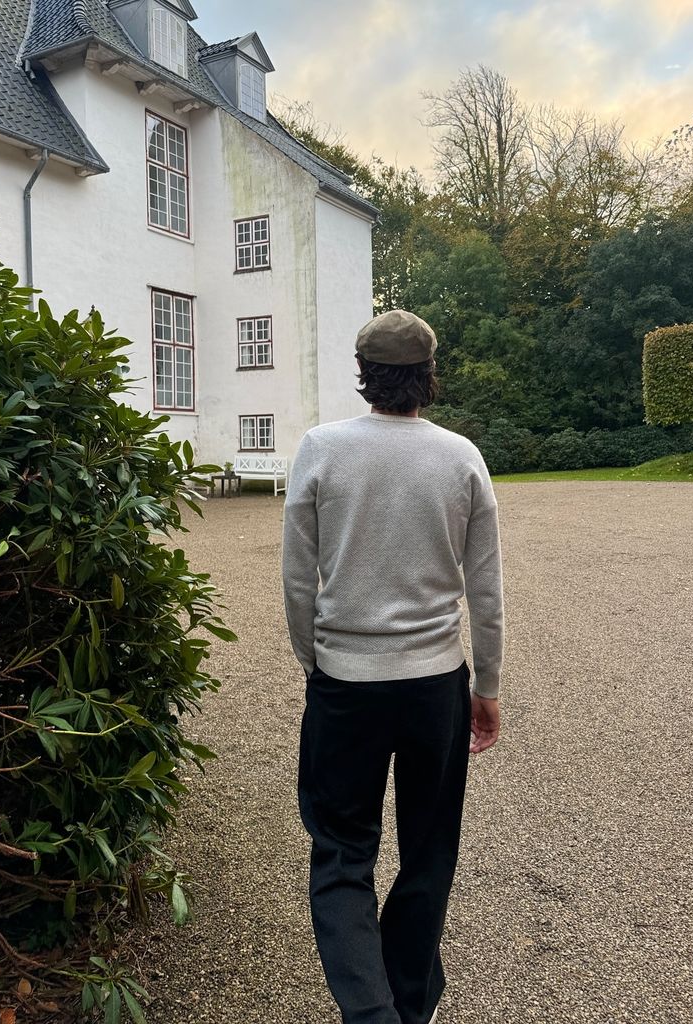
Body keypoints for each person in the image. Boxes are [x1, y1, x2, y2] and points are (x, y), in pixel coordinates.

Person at [282, 309, 504, 1024]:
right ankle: (408, 1004)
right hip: (434, 682)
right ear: (427, 374)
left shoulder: (321, 449)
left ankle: (371, 1013)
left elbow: (297, 579)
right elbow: (486, 590)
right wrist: (487, 686)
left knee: (342, 852)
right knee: (429, 848)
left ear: (364, 373)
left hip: (345, 680)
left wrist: (316, 660)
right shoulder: (460, 456)